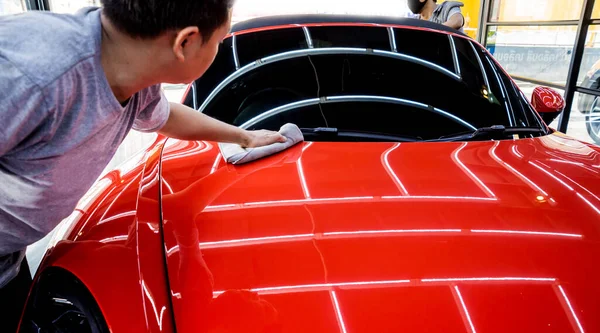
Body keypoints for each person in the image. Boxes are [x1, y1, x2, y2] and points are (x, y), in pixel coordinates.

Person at [0, 0, 287, 331]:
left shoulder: (130, 69)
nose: (219, 48)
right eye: (220, 41)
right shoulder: (35, 77)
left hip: (10, 261)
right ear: (186, 42)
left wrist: (243, 137)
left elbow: (164, 116)